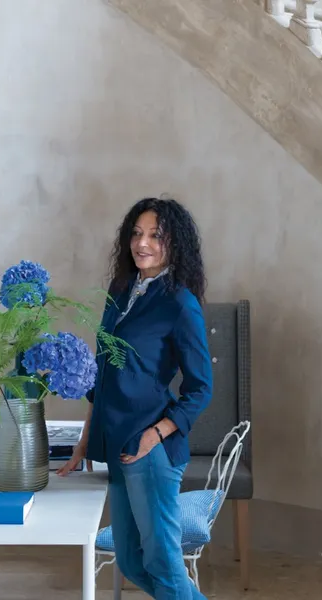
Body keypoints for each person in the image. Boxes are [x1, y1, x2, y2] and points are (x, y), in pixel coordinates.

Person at [58, 197, 212, 599]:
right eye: (137, 234)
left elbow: (201, 388)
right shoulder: (121, 290)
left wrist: (155, 434)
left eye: (155, 236)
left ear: (175, 244)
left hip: (151, 450)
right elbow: (101, 375)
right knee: (130, 560)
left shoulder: (180, 304)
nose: (142, 243)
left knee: (164, 566)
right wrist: (85, 440)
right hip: (116, 443)